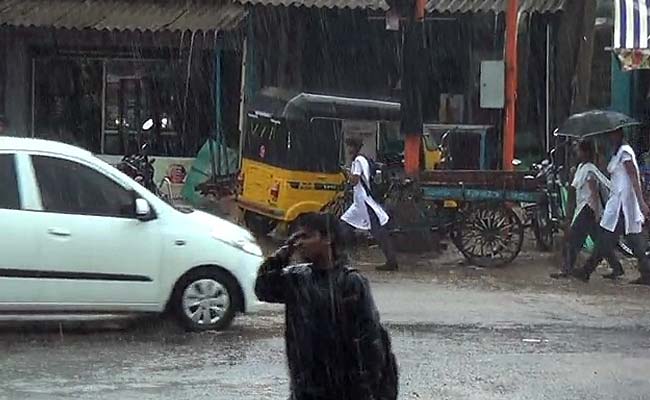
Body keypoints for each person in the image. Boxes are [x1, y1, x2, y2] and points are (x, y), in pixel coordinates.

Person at [255, 212, 398, 400]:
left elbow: (369, 341)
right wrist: (284, 252)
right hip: (306, 387)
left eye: (306, 236)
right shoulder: (297, 279)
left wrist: (367, 388)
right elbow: (263, 288)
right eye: (296, 238)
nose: (300, 243)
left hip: (345, 389)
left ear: (328, 238)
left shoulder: (350, 281)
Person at [572, 129, 650, 284]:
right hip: (620, 204)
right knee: (633, 241)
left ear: (618, 136)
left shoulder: (625, 152)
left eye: (612, 136)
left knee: (605, 240)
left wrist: (641, 202)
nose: (610, 139)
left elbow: (634, 176)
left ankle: (586, 270)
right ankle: (646, 273)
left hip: (622, 206)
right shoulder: (618, 153)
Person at [551, 140, 618, 279]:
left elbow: (593, 191)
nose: (577, 153)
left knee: (573, 240)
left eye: (579, 150)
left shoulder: (588, 169)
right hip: (587, 209)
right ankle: (617, 267)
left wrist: (596, 212)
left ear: (586, 152)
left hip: (587, 209)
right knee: (600, 241)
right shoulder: (583, 167)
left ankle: (567, 270)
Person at [340, 137, 399, 271]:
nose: (348, 149)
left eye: (350, 146)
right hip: (361, 201)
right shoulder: (363, 159)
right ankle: (341, 256)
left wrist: (347, 173)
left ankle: (391, 261)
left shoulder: (357, 161)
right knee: (345, 225)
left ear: (355, 147)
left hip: (363, 201)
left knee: (377, 232)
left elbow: (354, 180)